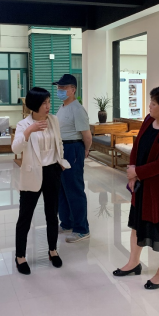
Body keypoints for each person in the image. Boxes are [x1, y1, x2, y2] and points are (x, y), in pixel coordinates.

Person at [113, 86, 159, 290]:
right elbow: (137, 146)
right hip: (142, 186)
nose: (149, 106)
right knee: (137, 225)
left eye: (153, 104)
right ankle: (133, 262)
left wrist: (137, 172)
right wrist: (132, 171)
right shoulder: (148, 120)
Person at [12, 87, 71, 275]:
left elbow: (59, 142)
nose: (48, 106)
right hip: (32, 173)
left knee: (52, 214)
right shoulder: (23, 124)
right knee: (25, 216)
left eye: (49, 102)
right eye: (44, 103)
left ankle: (53, 250)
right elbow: (16, 148)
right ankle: (20, 256)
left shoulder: (53, 120)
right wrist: (29, 131)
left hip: (52, 171)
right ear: (34, 105)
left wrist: (60, 161)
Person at [54, 74, 93, 243]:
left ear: (73, 89)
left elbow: (87, 135)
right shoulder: (63, 107)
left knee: (74, 189)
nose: (60, 90)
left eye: (63, 88)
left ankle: (82, 229)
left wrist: (85, 150)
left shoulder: (77, 109)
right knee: (62, 189)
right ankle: (67, 223)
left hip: (73, 149)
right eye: (59, 87)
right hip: (62, 149)